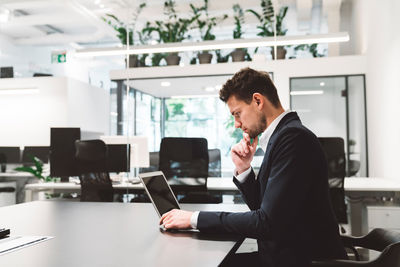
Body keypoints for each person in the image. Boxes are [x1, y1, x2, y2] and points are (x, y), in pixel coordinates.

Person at [160, 68, 347, 266]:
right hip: (285, 255)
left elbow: (266, 223)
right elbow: (263, 208)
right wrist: (244, 168)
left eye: (237, 113)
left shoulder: (293, 139)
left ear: (258, 101)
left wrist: (194, 219)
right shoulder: (282, 136)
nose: (236, 124)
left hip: (300, 260)